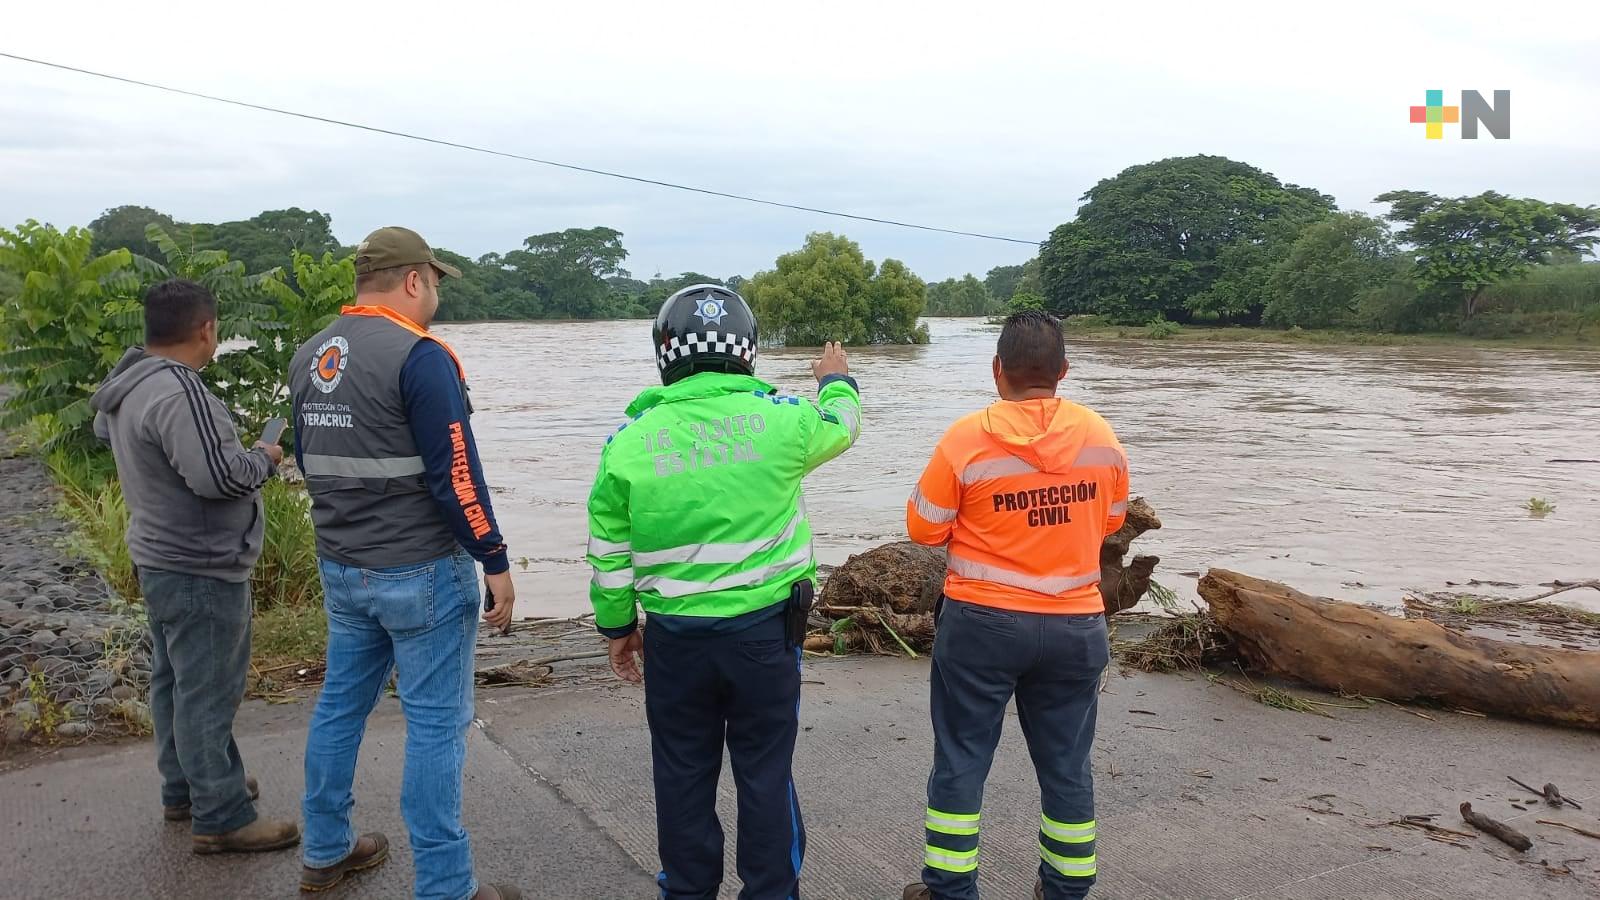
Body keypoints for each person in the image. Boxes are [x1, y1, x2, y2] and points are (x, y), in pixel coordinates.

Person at [585, 284, 861, 900]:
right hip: (765, 638)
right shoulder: (786, 420)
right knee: (765, 774)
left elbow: (608, 553)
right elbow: (843, 426)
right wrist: (836, 380)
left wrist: (618, 628)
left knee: (682, 774)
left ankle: (687, 891)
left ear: (665, 352)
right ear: (747, 351)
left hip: (675, 643)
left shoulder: (626, 443)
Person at [289, 226, 520, 900]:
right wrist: (494, 558)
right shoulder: (421, 356)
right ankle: (446, 886)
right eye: (436, 282)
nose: (437, 295)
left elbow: (308, 461)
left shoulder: (310, 354)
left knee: (340, 707)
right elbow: (457, 474)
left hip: (342, 567)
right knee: (436, 725)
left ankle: (325, 850)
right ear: (415, 279)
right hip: (420, 572)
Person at [901, 311, 1129, 900]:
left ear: (997, 369)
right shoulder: (1101, 437)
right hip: (1076, 627)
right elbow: (1112, 521)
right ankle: (1066, 889)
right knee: (1068, 768)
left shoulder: (966, 438)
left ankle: (950, 889)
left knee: (961, 760)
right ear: (1063, 371)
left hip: (981, 627)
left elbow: (924, 528)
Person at [90, 278, 300, 855]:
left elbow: (103, 430)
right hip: (200, 565)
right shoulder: (181, 391)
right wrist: (265, 457)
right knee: (207, 691)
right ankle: (222, 815)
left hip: (158, 556)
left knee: (174, 682)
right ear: (206, 330)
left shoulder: (130, 383)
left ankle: (188, 788)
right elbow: (221, 478)